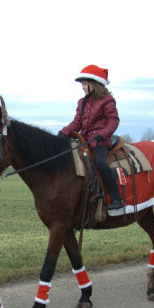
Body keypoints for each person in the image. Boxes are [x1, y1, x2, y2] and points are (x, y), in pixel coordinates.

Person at [58, 64, 122, 210]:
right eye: (82, 84)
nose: (83, 87)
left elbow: (114, 121)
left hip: (101, 142)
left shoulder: (107, 100)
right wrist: (64, 132)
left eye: (85, 84)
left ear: (95, 84)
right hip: (84, 141)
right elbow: (76, 123)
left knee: (101, 163)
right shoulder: (82, 102)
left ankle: (116, 199)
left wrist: (102, 134)